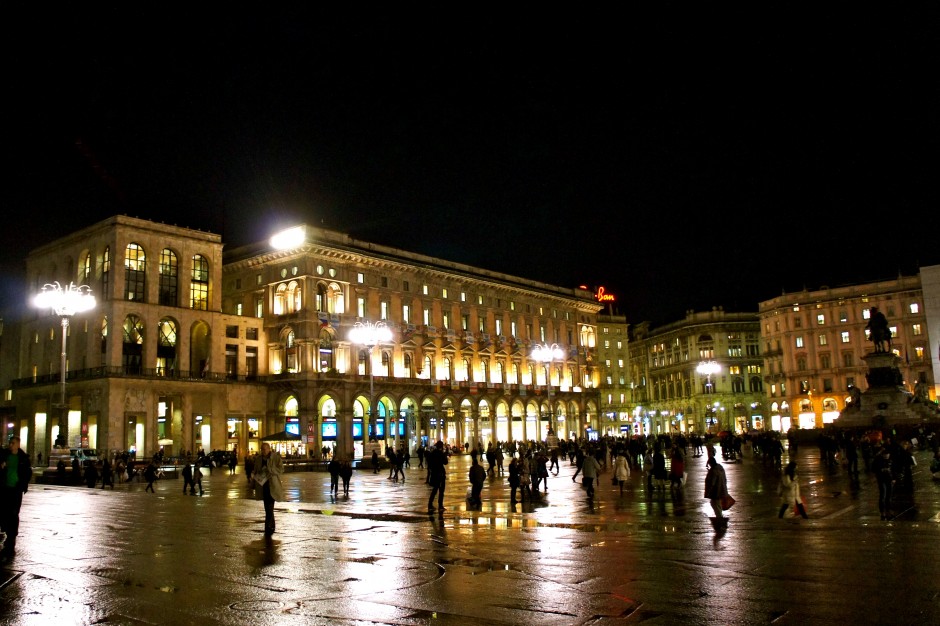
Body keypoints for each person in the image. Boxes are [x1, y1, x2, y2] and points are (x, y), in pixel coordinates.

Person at [0, 436, 32, 561]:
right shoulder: (4, 455)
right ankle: (6, 532)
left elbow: (27, 473)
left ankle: (11, 538)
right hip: (4, 489)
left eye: (12, 443)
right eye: (10, 442)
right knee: (3, 512)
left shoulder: (23, 458)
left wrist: (22, 484)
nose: (10, 445)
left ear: (18, 444)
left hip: (16, 491)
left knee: (14, 513)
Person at [252, 442, 285, 535]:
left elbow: (281, 469)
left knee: (269, 507)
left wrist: (271, 470)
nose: (263, 451)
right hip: (263, 486)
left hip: (273, 486)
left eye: (265, 449)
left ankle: (268, 527)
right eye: (262, 449)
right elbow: (255, 470)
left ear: (269, 449)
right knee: (267, 507)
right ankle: (271, 526)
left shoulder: (275, 458)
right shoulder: (258, 459)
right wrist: (254, 475)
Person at [872, 445, 894, 520]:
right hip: (881, 479)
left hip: (889, 479)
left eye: (888, 454)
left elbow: (893, 469)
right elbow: (873, 469)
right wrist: (882, 470)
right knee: (883, 495)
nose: (887, 456)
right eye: (885, 454)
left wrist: (894, 478)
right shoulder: (878, 459)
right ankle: (882, 512)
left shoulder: (890, 459)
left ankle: (888, 510)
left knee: (889, 495)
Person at [426, 441, 449, 512]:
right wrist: (445, 454)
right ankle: (440, 505)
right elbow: (445, 462)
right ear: (441, 446)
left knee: (435, 490)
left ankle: (430, 504)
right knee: (441, 490)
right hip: (440, 473)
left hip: (434, 473)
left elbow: (429, 462)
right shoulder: (440, 453)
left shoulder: (433, 453)